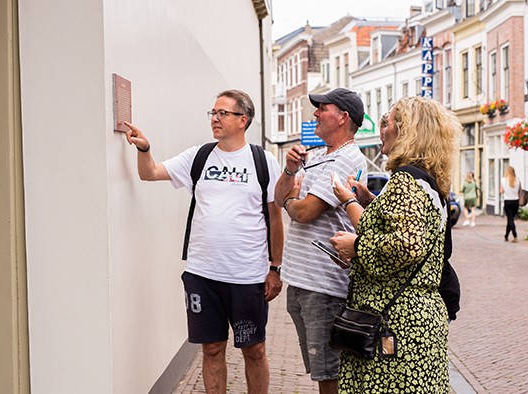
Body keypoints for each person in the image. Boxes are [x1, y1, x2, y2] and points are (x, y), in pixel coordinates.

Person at [124, 89, 284, 394]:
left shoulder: (263, 162)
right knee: (211, 349)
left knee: (255, 350)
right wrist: (144, 149)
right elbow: (150, 174)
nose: (215, 119)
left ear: (243, 120)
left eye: (223, 113)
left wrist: (275, 267)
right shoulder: (198, 156)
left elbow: (275, 219)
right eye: (213, 113)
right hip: (203, 275)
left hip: (247, 276)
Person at [329, 96, 461, 392]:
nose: (382, 129)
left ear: (406, 131)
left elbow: (406, 245)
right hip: (416, 318)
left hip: (395, 321)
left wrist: (356, 246)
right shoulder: (428, 182)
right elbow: (411, 230)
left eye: (386, 122)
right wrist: (367, 200)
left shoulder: (406, 182)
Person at [274, 88, 368, 394]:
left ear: (342, 118)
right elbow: (279, 196)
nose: (314, 113)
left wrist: (290, 200)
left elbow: (304, 212)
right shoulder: (316, 157)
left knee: (329, 374)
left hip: (323, 286)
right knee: (320, 370)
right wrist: (289, 171)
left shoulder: (348, 158)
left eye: (322, 108)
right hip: (303, 280)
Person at [500, 166, 521, 242]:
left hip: (508, 201)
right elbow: (520, 190)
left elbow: (501, 191)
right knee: (510, 219)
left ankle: (515, 235)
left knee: (510, 219)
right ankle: (506, 236)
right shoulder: (517, 180)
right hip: (515, 201)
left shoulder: (503, 180)